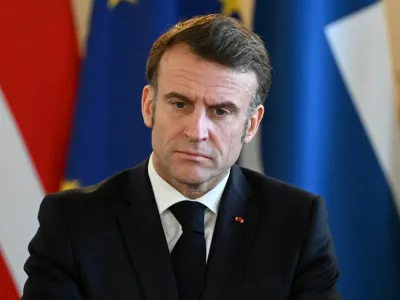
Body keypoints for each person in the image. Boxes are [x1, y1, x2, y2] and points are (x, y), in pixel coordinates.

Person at [22, 14, 341, 300]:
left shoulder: (297, 222)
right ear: (149, 106)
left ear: (251, 124)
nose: (196, 131)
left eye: (221, 111)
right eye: (180, 104)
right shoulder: (72, 221)